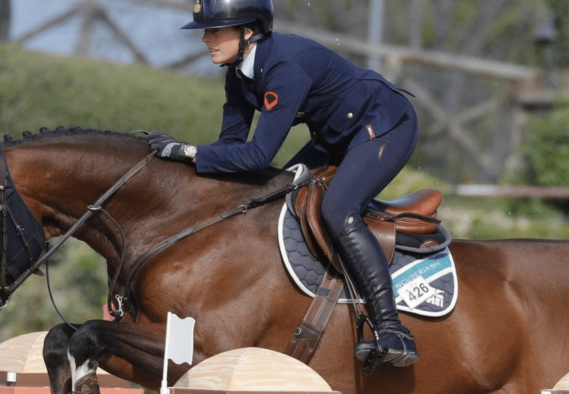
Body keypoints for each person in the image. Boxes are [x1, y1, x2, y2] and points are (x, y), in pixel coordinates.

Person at [147, 0, 419, 368]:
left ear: (247, 32)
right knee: (269, 198)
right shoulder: (237, 75)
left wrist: (189, 152)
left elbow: (258, 157)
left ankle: (392, 329)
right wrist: (187, 158)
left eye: (214, 31)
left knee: (337, 209)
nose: (206, 39)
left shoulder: (283, 68)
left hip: (384, 124)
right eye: (204, 31)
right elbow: (230, 147)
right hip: (336, 135)